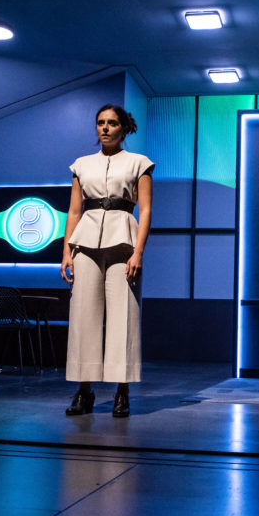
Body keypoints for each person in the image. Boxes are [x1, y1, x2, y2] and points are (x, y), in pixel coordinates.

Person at [60, 104, 154, 417]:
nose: (105, 128)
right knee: (83, 315)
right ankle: (84, 392)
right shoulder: (82, 165)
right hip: (85, 243)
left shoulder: (139, 163)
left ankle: (122, 393)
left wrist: (138, 251)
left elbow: (146, 211)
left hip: (123, 241)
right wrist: (65, 253)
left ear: (124, 128)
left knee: (123, 316)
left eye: (112, 123)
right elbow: (74, 211)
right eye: (100, 122)